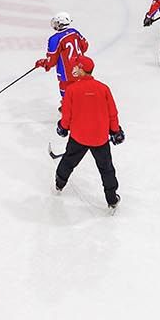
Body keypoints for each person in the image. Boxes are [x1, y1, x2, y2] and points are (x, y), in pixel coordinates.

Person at [53, 56, 122, 211]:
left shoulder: (71, 90)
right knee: (106, 169)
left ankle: (59, 183)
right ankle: (111, 199)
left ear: (82, 70)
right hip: (99, 138)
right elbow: (112, 113)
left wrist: (63, 128)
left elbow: (67, 115)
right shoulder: (103, 88)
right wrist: (115, 131)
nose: (74, 69)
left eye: (76, 67)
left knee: (69, 160)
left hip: (78, 137)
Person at [36, 12, 90, 95]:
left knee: (66, 89)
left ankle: (67, 105)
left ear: (59, 23)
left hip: (66, 72)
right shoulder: (74, 32)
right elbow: (85, 46)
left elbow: (52, 60)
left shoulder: (54, 39)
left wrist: (44, 63)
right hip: (80, 68)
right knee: (81, 87)